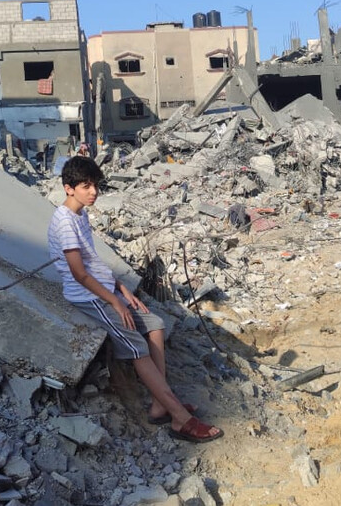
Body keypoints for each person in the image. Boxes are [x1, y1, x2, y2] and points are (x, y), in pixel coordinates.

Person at [48, 156, 223, 443]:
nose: (93, 192)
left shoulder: (80, 214)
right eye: (85, 186)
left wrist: (120, 287)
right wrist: (115, 301)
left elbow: (92, 261)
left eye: (96, 186)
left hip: (103, 289)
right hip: (89, 297)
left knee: (155, 324)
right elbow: (79, 274)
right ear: (69, 188)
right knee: (137, 344)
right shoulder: (65, 222)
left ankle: (159, 406)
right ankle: (181, 419)